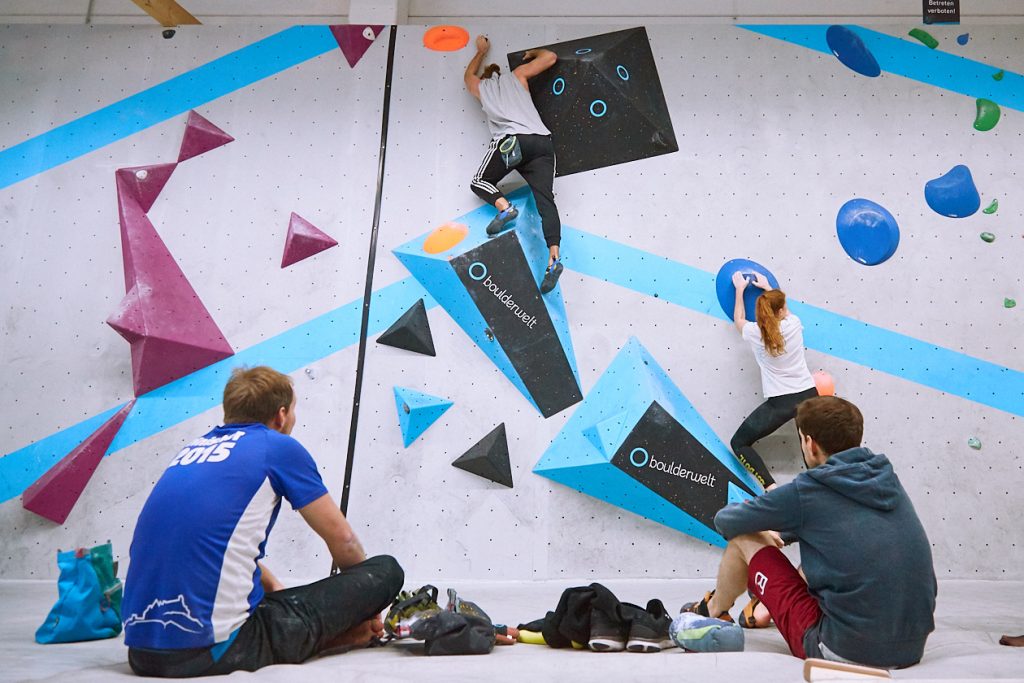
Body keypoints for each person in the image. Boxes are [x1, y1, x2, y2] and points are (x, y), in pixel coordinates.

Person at [121, 366, 403, 677]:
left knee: (281, 603)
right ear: (281, 415)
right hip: (209, 652)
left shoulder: (190, 451)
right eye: (293, 411)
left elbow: (213, 546)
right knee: (386, 570)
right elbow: (344, 541)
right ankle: (343, 635)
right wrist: (363, 604)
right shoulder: (277, 447)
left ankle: (331, 634)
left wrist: (277, 589)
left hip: (141, 653)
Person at [682, 396, 937, 669]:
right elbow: (835, 525)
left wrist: (766, 527)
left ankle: (713, 610)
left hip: (841, 650)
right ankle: (763, 608)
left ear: (809, 444)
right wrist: (788, 529)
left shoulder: (809, 489)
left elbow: (727, 522)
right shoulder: (885, 479)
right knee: (827, 552)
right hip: (911, 648)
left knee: (746, 538)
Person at [465, 34, 564, 294]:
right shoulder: (518, 76)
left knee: (480, 182)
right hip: (542, 144)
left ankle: (505, 208)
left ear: (485, 78)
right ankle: (553, 259)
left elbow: (467, 77)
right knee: (546, 201)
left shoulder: (481, 88)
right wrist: (534, 51)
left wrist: (480, 52)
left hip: (514, 143)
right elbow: (550, 58)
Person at [729, 271, 818, 492]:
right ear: (780, 312)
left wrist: (740, 290)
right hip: (809, 396)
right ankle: (823, 492)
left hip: (782, 403)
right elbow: (783, 311)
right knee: (813, 452)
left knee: (739, 443)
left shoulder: (755, 333)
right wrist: (768, 286)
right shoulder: (794, 324)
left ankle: (770, 488)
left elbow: (738, 319)